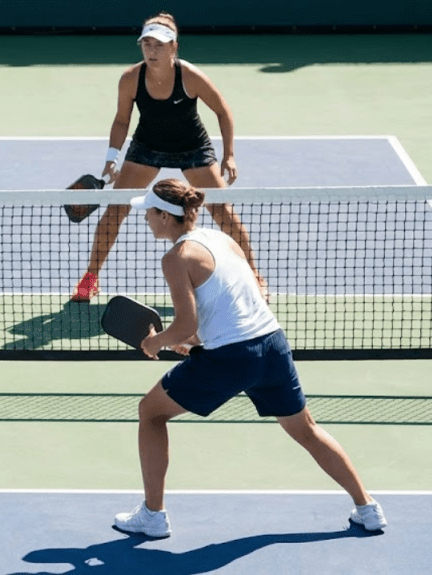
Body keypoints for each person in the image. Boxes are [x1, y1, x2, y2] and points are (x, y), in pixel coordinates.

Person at [113, 178, 387, 537]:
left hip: (232, 357)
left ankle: (152, 515)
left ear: (166, 217)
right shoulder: (222, 239)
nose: (145, 217)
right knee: (307, 430)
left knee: (150, 413)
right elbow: (229, 311)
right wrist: (192, 342)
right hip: (271, 346)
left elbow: (185, 323)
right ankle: (368, 508)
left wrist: (156, 343)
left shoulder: (176, 258)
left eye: (149, 212)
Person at [71, 12, 265, 302]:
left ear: (174, 46)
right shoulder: (130, 79)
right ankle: (90, 279)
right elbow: (122, 120)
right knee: (115, 212)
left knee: (224, 214)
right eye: (147, 44)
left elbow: (223, 112)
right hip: (147, 146)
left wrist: (230, 156)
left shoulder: (190, 76)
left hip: (193, 147)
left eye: (159, 44)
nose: (152, 50)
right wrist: (112, 156)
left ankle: (254, 274)